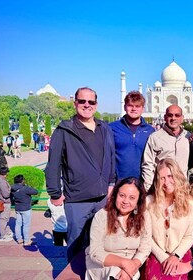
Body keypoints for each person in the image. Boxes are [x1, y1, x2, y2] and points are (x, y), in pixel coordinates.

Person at [45, 87, 116, 261]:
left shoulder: (104, 128)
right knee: (76, 244)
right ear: (75, 103)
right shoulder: (65, 130)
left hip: (101, 198)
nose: (87, 105)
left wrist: (112, 183)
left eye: (91, 102)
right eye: (82, 101)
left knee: (101, 243)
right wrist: (55, 193)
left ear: (96, 105)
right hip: (77, 200)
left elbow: (111, 156)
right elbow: (53, 163)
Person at [85, 177, 151, 280]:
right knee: (115, 274)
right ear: (116, 195)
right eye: (122, 195)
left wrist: (132, 265)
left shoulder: (144, 216)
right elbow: (95, 252)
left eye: (132, 198)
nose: (125, 201)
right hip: (102, 264)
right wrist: (124, 263)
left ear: (138, 201)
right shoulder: (102, 216)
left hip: (131, 265)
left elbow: (145, 247)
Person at [145, 158, 193, 279]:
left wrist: (176, 256)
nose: (166, 182)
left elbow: (189, 237)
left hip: (180, 252)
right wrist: (163, 258)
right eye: (162, 178)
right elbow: (146, 236)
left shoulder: (190, 205)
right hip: (156, 252)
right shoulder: (148, 203)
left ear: (177, 176)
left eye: (170, 176)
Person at [142, 105, 190, 191]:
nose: (173, 118)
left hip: (182, 188)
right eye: (170, 115)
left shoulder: (187, 137)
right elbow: (148, 164)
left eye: (177, 115)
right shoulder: (155, 137)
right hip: (162, 187)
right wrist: (148, 189)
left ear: (182, 118)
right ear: (165, 117)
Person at [109, 91, 155, 180]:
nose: (134, 109)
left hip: (143, 182)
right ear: (125, 107)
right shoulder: (112, 128)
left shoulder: (150, 131)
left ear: (143, 109)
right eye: (130, 105)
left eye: (137, 106)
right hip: (119, 182)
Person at [11, 174, 39, 246]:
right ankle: (26, 241)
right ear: (22, 181)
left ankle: (19, 239)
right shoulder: (25, 188)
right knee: (26, 225)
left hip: (17, 207)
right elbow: (36, 191)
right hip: (26, 208)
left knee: (18, 224)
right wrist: (29, 186)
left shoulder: (12, 188)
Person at [0, 167, 13, 242]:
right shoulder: (2, 182)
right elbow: (6, 194)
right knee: (4, 219)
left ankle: (5, 232)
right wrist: (10, 190)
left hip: (2, 201)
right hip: (4, 202)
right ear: (6, 173)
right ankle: (2, 236)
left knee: (5, 218)